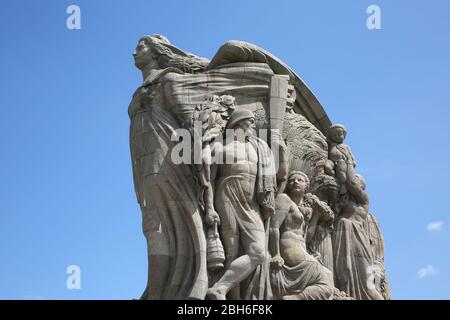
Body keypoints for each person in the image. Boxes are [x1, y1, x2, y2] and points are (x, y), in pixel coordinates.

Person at [129, 34, 209, 299]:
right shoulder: (141, 89)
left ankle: (199, 279)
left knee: (186, 215)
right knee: (153, 226)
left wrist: (201, 162)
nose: (134, 52)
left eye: (140, 46)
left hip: (170, 159)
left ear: (155, 51)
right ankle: (156, 289)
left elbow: (191, 121)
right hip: (145, 166)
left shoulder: (169, 79)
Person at [205, 109, 277, 300]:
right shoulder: (219, 147)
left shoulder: (259, 147)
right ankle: (229, 298)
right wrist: (210, 208)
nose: (253, 126)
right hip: (227, 195)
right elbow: (209, 181)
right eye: (250, 122)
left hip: (252, 203)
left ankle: (220, 288)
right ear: (238, 122)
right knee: (231, 251)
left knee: (259, 252)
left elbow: (279, 171)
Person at [269, 171, 334, 300]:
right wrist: (276, 254)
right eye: (292, 180)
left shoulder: (302, 210)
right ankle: (293, 298)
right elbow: (273, 226)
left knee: (328, 274)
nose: (295, 182)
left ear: (306, 186)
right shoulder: (284, 199)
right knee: (326, 286)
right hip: (289, 249)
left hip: (301, 249)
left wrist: (316, 214)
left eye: (300, 180)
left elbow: (307, 237)